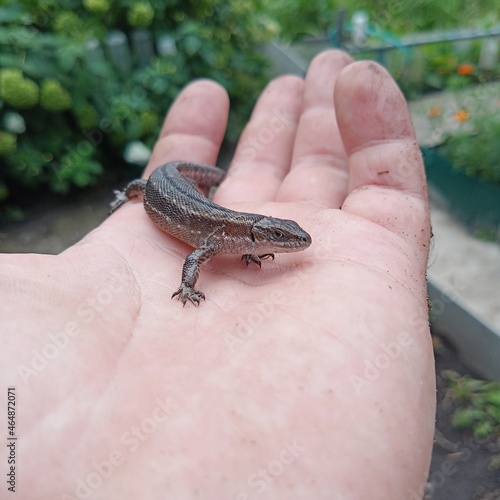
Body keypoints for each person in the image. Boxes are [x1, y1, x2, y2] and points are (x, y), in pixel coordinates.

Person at [1, 50, 434, 499]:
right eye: (281, 239)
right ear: (258, 233)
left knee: (183, 182)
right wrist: (186, 288)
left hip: (190, 192)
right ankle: (128, 191)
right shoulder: (216, 236)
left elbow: (238, 240)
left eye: (283, 238)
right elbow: (192, 260)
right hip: (162, 189)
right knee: (145, 183)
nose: (291, 243)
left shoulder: (237, 236)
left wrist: (249, 251)